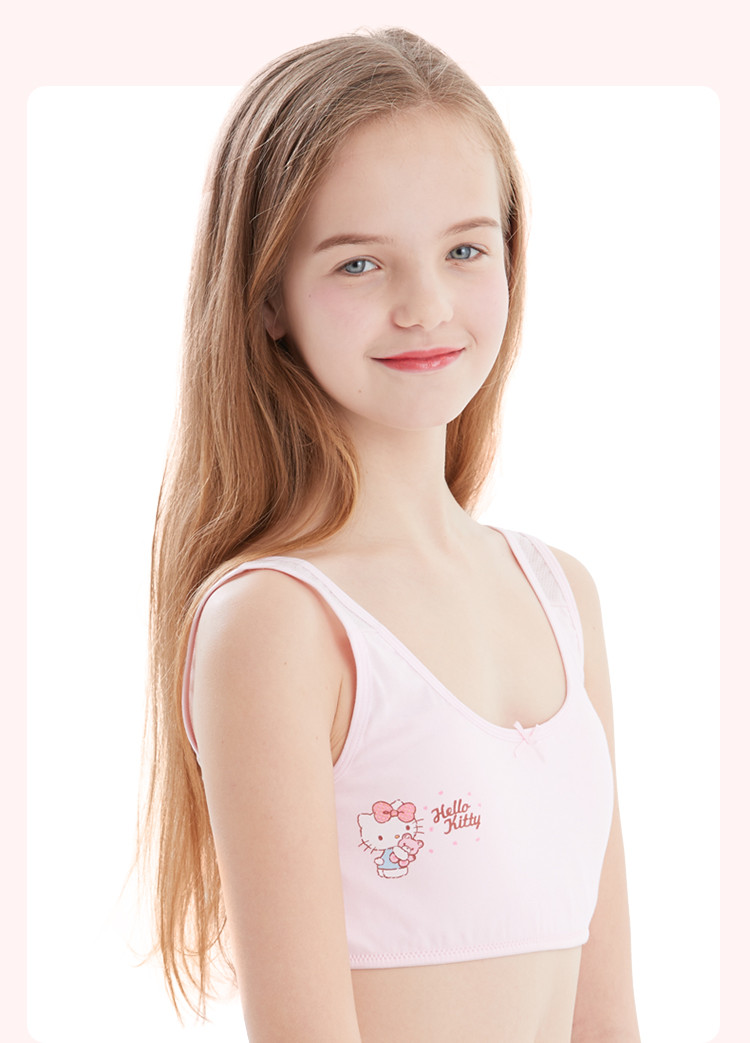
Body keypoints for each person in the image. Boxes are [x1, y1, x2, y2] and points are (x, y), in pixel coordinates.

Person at [140, 27, 641, 1042]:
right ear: (268, 296)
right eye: (361, 262)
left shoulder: (561, 595)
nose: (426, 306)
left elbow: (606, 1017)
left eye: (465, 250)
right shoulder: (277, 623)